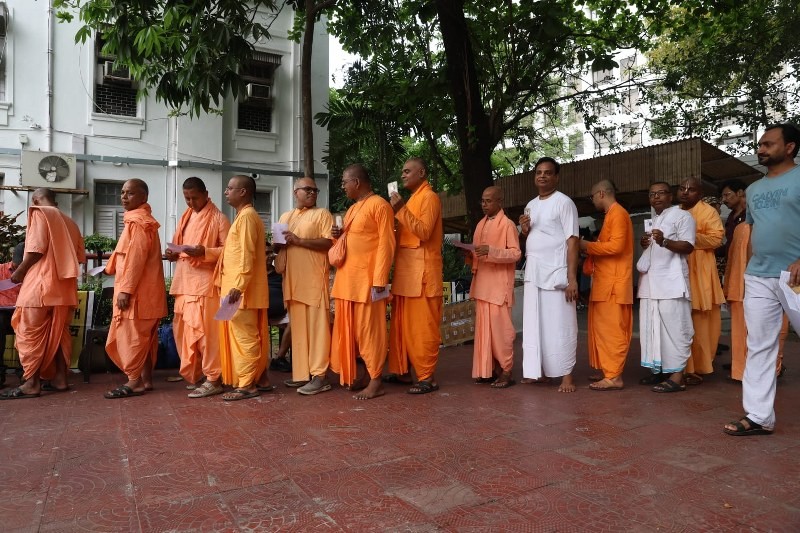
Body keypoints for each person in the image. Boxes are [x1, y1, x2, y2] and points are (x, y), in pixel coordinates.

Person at [724, 123, 800, 436]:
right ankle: (758, 416)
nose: (761, 149)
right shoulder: (754, 190)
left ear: (790, 147)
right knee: (759, 345)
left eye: (768, 144)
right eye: (760, 144)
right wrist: (751, 265)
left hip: (794, 274)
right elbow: (754, 230)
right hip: (759, 276)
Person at [1, 188, 85, 399]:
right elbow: (79, 258)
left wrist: (19, 272)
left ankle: (31, 383)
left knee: (29, 333)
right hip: (64, 289)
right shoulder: (72, 223)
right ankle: (60, 379)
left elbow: (36, 249)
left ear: (35, 199)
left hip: (40, 287)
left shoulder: (40, 212)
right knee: (57, 335)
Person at [330, 164, 395, 400]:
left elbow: (386, 244)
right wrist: (336, 236)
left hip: (368, 281)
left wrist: (380, 278)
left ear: (356, 182)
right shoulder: (351, 210)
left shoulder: (380, 205)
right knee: (354, 333)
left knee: (371, 332)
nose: (343, 186)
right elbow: (347, 243)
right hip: (348, 280)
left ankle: (377, 380)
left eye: (344, 182)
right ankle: (367, 375)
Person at [165, 177, 230, 398]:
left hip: (205, 285)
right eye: (187, 198)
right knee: (183, 331)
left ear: (205, 193)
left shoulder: (219, 219)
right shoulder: (186, 216)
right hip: (184, 283)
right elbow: (178, 244)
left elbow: (229, 252)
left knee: (207, 335)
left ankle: (214, 378)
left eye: (194, 197)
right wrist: (172, 254)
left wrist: (204, 252)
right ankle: (199, 373)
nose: (191, 202)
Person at [518, 157, 579, 393]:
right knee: (535, 324)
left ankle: (567, 375)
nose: (542, 176)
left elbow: (572, 241)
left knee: (561, 323)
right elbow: (532, 238)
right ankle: (538, 372)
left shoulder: (564, 203)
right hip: (534, 271)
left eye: (548, 173)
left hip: (557, 272)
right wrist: (524, 230)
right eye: (538, 173)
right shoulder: (531, 205)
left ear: (556, 177)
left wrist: (572, 278)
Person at [102, 180, 167, 399]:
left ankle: (134, 381)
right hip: (145, 294)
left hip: (137, 295)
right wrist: (110, 267)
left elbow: (135, 259)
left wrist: (125, 290)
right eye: (122, 192)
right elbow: (125, 256)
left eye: (130, 193)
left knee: (133, 338)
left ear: (143, 198)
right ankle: (146, 380)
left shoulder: (139, 223)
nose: (124, 196)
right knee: (144, 339)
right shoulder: (137, 221)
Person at [721, 181, 790, 382]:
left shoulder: (752, 227)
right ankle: (754, 372)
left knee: (769, 332)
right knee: (761, 332)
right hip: (749, 287)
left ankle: (750, 372)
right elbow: (733, 260)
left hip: (768, 285)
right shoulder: (742, 228)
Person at [385, 157, 444, 394]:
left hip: (422, 274)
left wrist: (401, 210)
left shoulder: (430, 197)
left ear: (422, 172)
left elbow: (424, 231)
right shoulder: (412, 199)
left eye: (408, 171)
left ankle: (426, 377)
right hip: (405, 273)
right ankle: (402, 371)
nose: (403, 175)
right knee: (401, 327)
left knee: (422, 328)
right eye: (402, 171)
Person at [276, 177, 334, 395]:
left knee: (318, 330)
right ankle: (302, 374)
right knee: (298, 330)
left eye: (315, 190)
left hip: (313, 280)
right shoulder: (285, 216)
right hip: (291, 281)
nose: (312, 193)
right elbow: (278, 245)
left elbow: (329, 242)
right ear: (295, 192)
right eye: (307, 189)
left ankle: (320, 376)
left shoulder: (322, 214)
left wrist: (298, 240)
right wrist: (277, 242)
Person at [214, 175, 271, 401]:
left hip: (240, 291)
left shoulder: (247, 218)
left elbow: (247, 256)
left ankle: (247, 385)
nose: (226, 192)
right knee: (243, 336)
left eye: (230, 188)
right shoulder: (242, 217)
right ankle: (256, 379)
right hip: (237, 289)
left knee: (245, 337)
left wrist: (238, 286)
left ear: (243, 192)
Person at [637, 182, 696, 393]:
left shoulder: (683, 216)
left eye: (661, 193)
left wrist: (664, 242)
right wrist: (647, 244)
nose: (656, 197)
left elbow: (688, 246)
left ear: (670, 196)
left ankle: (678, 376)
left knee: (676, 330)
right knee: (653, 330)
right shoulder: (654, 219)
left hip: (672, 283)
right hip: (651, 284)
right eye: (652, 194)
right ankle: (660, 371)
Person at [579, 180, 633, 391]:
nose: (592, 201)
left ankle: (614, 376)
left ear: (601, 193)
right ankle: (608, 369)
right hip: (605, 283)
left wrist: (587, 246)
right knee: (602, 330)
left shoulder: (618, 214)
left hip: (614, 284)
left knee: (612, 331)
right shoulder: (611, 215)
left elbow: (617, 246)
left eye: (592, 197)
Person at [467, 186, 520, 388]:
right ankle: (488, 370)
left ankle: (506, 370)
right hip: (482, 285)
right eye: (482, 201)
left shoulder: (507, 225)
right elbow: (478, 255)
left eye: (489, 201)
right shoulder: (481, 224)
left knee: (501, 331)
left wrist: (492, 251)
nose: (484, 204)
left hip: (498, 286)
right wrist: (470, 255)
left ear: (500, 201)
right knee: (485, 333)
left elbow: (515, 254)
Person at [679, 177, 724, 385]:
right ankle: (680, 367)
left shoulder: (708, 211)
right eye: (682, 189)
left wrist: (689, 238)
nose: (686, 192)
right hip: (679, 270)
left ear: (700, 193)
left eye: (691, 189)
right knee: (680, 320)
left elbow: (716, 239)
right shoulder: (675, 211)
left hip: (701, 271)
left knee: (701, 322)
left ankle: (700, 367)